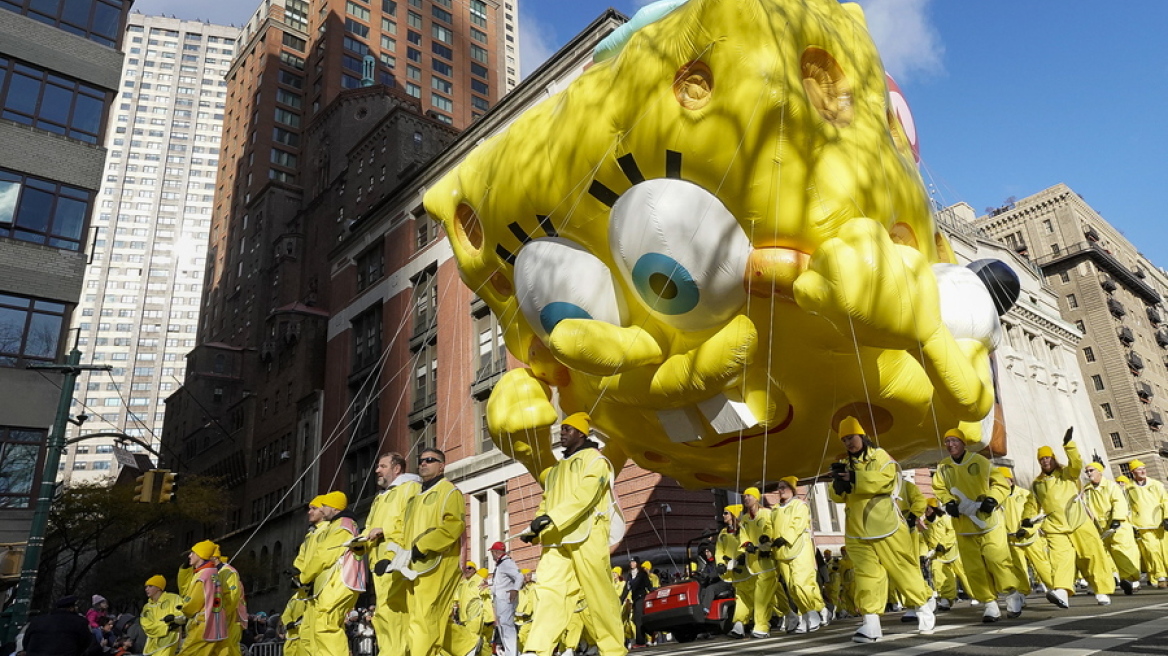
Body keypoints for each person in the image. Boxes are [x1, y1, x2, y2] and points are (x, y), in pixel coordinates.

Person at [520, 412, 626, 656]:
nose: (562, 433)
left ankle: (613, 650)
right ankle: (537, 649)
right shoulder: (556, 469)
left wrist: (551, 518)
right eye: (562, 429)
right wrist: (534, 529)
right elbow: (546, 502)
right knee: (548, 592)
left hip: (587, 538)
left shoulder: (596, 461)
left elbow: (585, 496)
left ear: (581, 433)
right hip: (557, 540)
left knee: (599, 595)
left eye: (567, 429)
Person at [827, 416, 935, 643]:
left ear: (862, 436)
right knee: (866, 575)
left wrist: (854, 478)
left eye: (851, 437)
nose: (848, 443)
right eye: (844, 439)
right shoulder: (845, 464)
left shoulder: (880, 456)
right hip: (856, 529)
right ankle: (871, 625)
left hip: (886, 525)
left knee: (902, 569)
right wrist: (838, 483)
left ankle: (924, 606)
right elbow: (837, 496)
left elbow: (886, 480)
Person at [931, 427, 1027, 622]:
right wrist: (949, 501)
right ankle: (989, 604)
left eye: (954, 441)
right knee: (973, 567)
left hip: (988, 522)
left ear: (963, 443)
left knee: (996, 559)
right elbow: (939, 488)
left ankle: (1011, 594)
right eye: (947, 441)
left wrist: (992, 499)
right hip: (964, 525)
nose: (950, 445)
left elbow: (1000, 484)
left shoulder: (980, 461)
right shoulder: (943, 467)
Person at [1023, 429, 1115, 606]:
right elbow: (1031, 505)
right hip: (1055, 527)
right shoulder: (1037, 484)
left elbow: (1076, 464)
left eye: (1048, 457)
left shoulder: (1067, 473)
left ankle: (1101, 590)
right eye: (1042, 459)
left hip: (1078, 522)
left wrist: (1069, 445)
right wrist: (1026, 520)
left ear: (1053, 458)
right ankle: (1062, 592)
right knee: (1060, 559)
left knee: (1092, 555)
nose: (1045, 461)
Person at [402, 447, 467, 656]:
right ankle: (470, 647)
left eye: (430, 460)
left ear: (442, 466)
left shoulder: (449, 491)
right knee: (419, 618)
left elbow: (454, 526)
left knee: (425, 617)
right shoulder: (415, 498)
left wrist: (423, 545)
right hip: (415, 566)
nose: (423, 463)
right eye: (421, 460)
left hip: (438, 563)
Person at [363, 451, 422, 656]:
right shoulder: (381, 497)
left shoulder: (410, 488)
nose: (377, 470)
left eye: (382, 466)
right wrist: (359, 542)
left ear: (397, 469)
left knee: (393, 611)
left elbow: (411, 521)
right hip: (379, 562)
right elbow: (369, 526)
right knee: (384, 613)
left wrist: (386, 534)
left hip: (396, 559)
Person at [297, 491, 365, 656]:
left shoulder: (342, 525)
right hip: (335, 582)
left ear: (334, 507)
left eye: (324, 506)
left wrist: (304, 576)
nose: (322, 509)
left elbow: (325, 555)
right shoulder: (342, 524)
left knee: (326, 625)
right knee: (323, 627)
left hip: (339, 582)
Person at [770, 476, 829, 633]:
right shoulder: (775, 509)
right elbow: (770, 527)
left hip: (799, 549)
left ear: (792, 489)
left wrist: (785, 538)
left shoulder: (800, 506)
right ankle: (804, 615)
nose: (780, 490)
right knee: (791, 587)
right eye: (779, 487)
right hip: (782, 553)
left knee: (800, 583)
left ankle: (813, 612)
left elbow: (798, 524)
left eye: (784, 487)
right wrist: (767, 538)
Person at [1082, 461, 1142, 594]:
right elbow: (1086, 509)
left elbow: (1118, 502)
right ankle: (1113, 579)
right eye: (1087, 471)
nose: (1089, 474)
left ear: (1099, 472)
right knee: (1104, 555)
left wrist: (1117, 518)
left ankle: (1130, 579)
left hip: (1118, 526)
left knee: (1121, 551)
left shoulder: (1111, 486)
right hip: (1102, 529)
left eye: (1091, 470)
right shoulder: (1087, 490)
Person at [178, 540, 228, 655]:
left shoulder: (202, 576)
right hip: (215, 625)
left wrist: (183, 611)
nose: (189, 555)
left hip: (202, 626)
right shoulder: (214, 573)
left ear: (200, 555)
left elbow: (192, 604)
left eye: (193, 553)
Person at [1124, 458, 1168, 588]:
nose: (1143, 471)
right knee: (1152, 550)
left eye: (1143, 468)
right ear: (1133, 472)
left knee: (1165, 550)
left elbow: (1165, 500)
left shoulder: (1156, 484)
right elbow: (1127, 507)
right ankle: (1161, 576)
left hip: (1160, 523)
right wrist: (1130, 525)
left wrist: (1167, 517)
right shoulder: (1128, 488)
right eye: (1139, 469)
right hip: (1142, 525)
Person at [23, 595, 101, 656]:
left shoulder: (37, 620)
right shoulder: (79, 622)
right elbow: (85, 643)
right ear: (71, 608)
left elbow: (26, 642)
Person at [214, 546, 249, 656]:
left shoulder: (228, 572)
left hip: (232, 617)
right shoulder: (219, 573)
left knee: (230, 647)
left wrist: (223, 614)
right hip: (226, 616)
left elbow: (232, 597)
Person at [490, 541, 523, 656]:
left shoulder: (506, 563)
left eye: (492, 552)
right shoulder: (501, 564)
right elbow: (499, 583)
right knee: (503, 626)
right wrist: (489, 586)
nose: (491, 555)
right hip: (501, 598)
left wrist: (515, 589)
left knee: (507, 626)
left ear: (495, 552)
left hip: (505, 599)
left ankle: (512, 653)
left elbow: (519, 576)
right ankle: (511, 652)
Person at [141, 575, 184, 656]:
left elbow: (182, 613)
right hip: (152, 646)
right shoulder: (146, 607)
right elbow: (147, 627)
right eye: (146, 587)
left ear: (158, 588)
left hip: (170, 642)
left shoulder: (174, 598)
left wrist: (173, 617)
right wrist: (168, 626)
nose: (146, 589)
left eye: (150, 586)